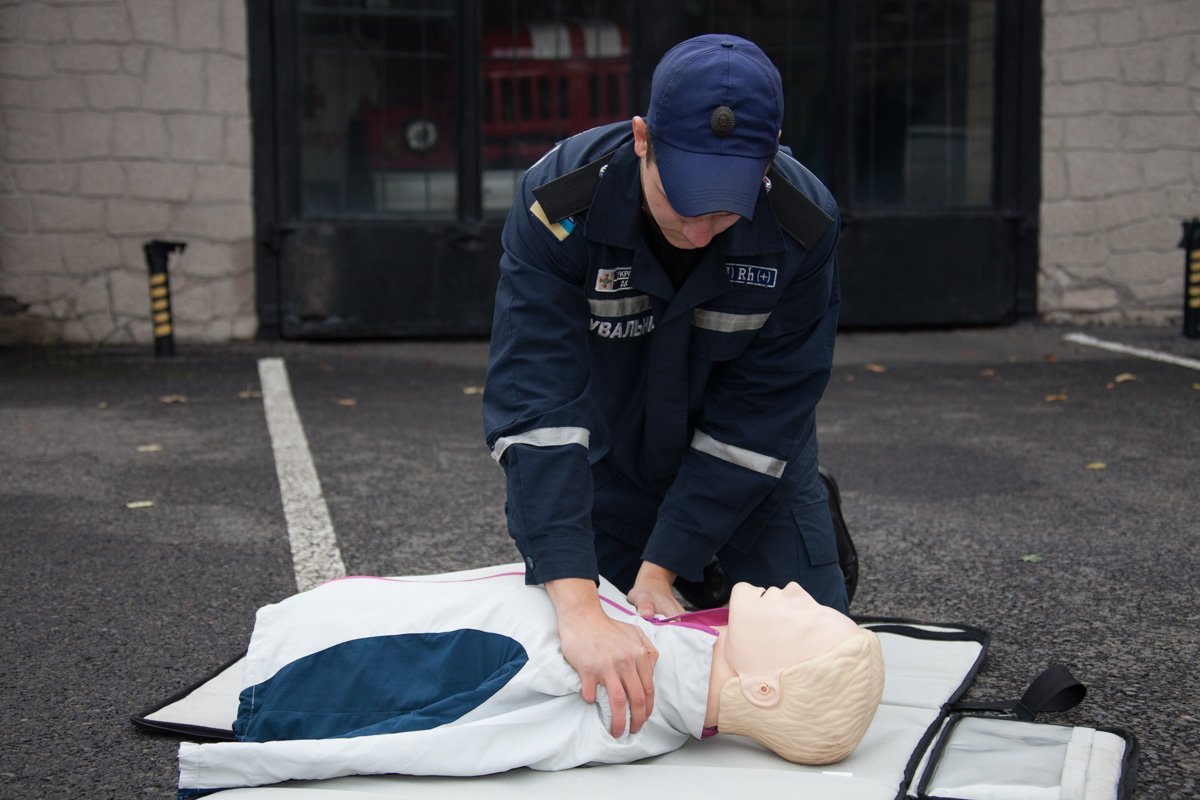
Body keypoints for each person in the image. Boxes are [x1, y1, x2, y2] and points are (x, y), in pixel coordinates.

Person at [483, 33, 846, 736]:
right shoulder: (560, 204)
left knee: (820, 670)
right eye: (683, 201)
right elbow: (538, 403)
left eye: (725, 208)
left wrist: (663, 568)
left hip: (749, 468)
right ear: (643, 139)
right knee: (578, 679)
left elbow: (763, 412)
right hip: (613, 455)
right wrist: (580, 604)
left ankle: (737, 553)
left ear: (770, 156)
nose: (701, 231)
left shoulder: (805, 224)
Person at [176, 566, 884, 793]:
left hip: (302, 657)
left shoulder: (620, 700)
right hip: (346, 625)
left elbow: (447, 733)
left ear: (764, 689)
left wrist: (269, 742)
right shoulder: (668, 665)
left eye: (807, 621)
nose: (800, 591)